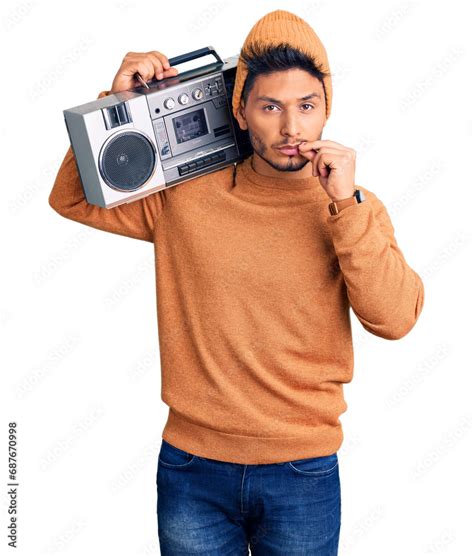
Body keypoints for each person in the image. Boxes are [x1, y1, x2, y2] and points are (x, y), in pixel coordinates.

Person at [49, 9, 425, 555]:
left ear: (327, 110)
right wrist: (118, 108)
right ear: (241, 111)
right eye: (270, 106)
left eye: (306, 107)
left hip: (303, 470)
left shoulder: (352, 208)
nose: (291, 128)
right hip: (193, 466)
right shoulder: (185, 196)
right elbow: (72, 199)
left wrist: (345, 204)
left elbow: (395, 320)